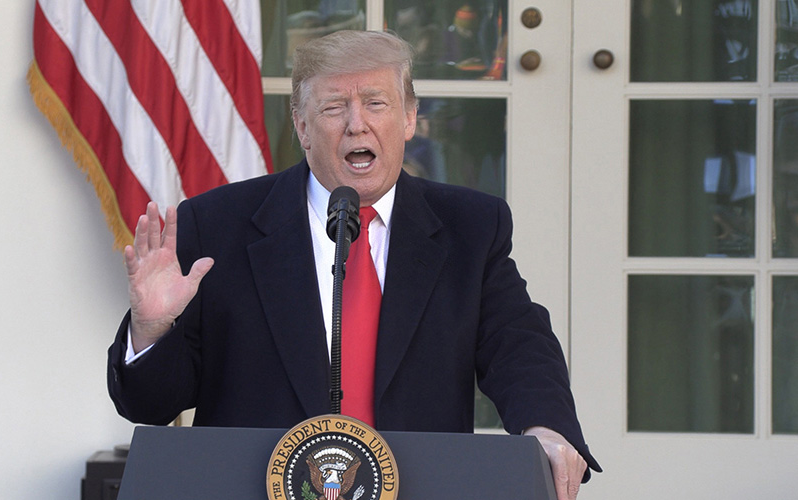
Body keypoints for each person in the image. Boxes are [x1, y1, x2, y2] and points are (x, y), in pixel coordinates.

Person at [108, 29, 600, 500]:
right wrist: (152, 330)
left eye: (376, 103)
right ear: (302, 126)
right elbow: (150, 405)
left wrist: (546, 427)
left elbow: (518, 344)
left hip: (422, 488)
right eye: (333, 107)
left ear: (409, 118)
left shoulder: (470, 226)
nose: (356, 124)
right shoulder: (217, 225)